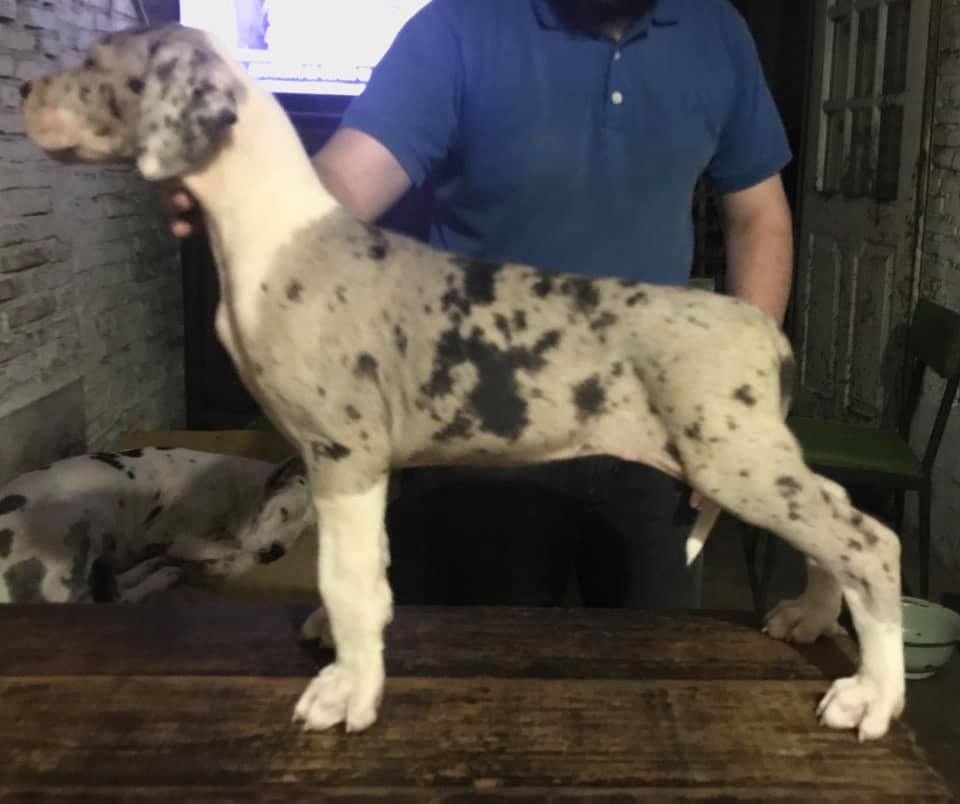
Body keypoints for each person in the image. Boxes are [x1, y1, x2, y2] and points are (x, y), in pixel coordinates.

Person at [165, 0, 794, 610]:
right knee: (468, 660)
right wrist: (258, 195)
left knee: (659, 664)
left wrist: (742, 396)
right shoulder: (458, 26)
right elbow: (349, 178)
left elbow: (758, 217)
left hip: (657, 425)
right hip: (480, 429)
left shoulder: (717, 31)